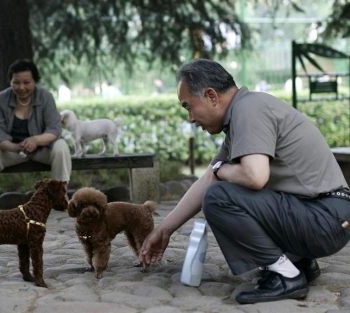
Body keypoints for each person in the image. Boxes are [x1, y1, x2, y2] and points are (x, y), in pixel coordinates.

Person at [139, 59, 350, 304]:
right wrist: (164, 230)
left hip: (326, 219)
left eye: (188, 107)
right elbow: (208, 177)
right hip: (326, 216)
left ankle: (286, 276)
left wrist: (222, 170)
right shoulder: (242, 113)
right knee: (217, 187)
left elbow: (254, 177)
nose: (191, 118)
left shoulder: (249, 110)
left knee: (218, 197)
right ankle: (299, 261)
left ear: (211, 96)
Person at [0, 59, 72, 216]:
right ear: (10, 81)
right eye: (16, 82)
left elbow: (54, 129)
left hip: (43, 149)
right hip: (13, 150)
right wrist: (16, 147)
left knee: (61, 146)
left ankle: (63, 197)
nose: (21, 87)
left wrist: (36, 140)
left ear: (35, 81)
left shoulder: (45, 97)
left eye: (26, 82)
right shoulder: (2, 99)